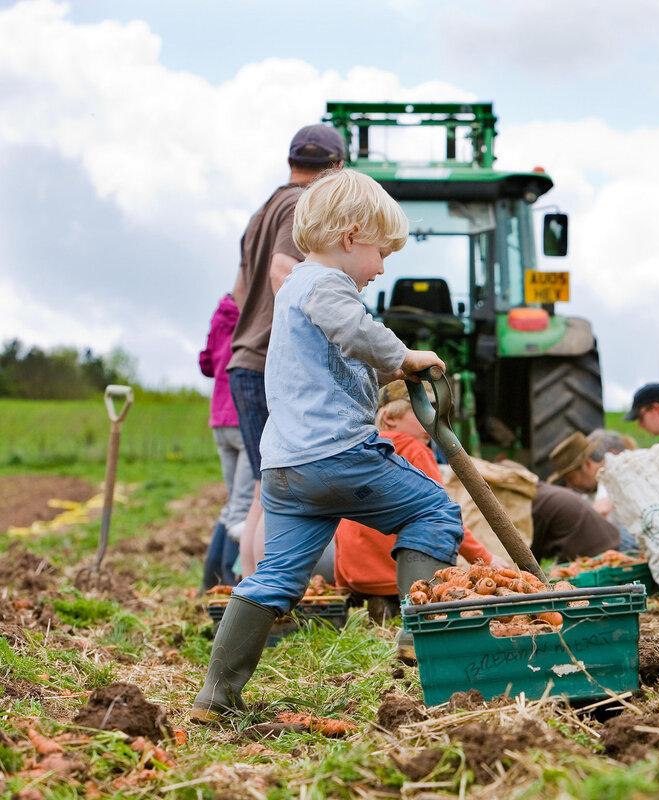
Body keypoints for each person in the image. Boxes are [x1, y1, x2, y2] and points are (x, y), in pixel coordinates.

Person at [192, 169, 458, 720]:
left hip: (288, 470)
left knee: (276, 577)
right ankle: (420, 636)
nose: (382, 267)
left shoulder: (293, 292)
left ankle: (216, 696)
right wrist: (404, 358)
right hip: (336, 455)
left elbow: (335, 361)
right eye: (381, 252)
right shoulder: (327, 286)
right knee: (435, 511)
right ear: (350, 235)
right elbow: (354, 330)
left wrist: (383, 380)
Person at [226, 124, 346, 577]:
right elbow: (282, 271)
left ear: (291, 162)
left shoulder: (265, 209)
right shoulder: (301, 205)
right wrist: (310, 338)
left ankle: (257, 596)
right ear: (336, 169)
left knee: (263, 487)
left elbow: (240, 293)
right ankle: (266, 601)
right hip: (265, 364)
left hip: (245, 359)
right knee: (271, 491)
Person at [333, 380, 499, 623]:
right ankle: (419, 617)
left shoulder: (359, 452)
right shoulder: (413, 449)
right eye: (420, 411)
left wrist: (342, 584)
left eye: (431, 411)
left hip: (358, 579)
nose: (430, 420)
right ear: (390, 418)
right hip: (396, 579)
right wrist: (485, 559)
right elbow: (443, 515)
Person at [198, 293, 254, 589]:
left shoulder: (221, 313)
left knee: (234, 502)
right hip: (244, 415)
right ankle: (232, 584)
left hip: (219, 418)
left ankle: (211, 582)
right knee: (244, 506)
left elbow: (206, 363)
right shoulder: (256, 313)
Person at [549, 429, 638, 549]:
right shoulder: (589, 490)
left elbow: (601, 510)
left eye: (571, 478)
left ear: (587, 465)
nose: (570, 484)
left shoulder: (616, 470)